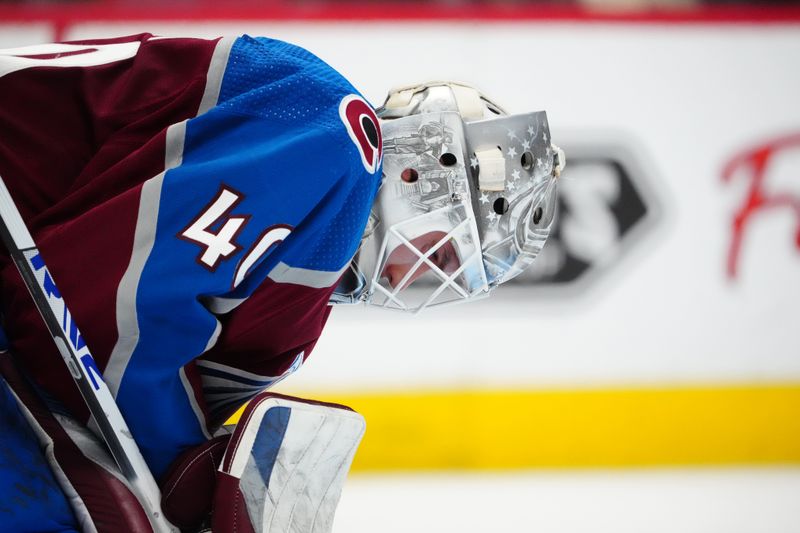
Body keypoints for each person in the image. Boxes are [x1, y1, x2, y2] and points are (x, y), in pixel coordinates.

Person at [0, 34, 562, 532]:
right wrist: (172, 478)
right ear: (419, 174)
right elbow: (102, 317)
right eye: (438, 248)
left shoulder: (309, 285)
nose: (417, 274)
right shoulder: (334, 136)